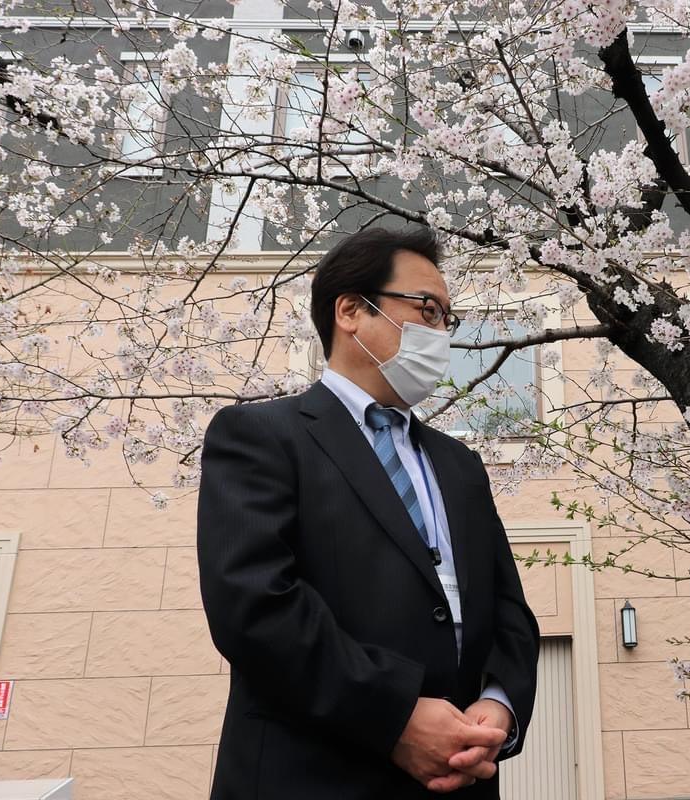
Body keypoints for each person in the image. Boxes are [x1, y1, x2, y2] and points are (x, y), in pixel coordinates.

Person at [197, 226, 541, 799]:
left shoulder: (460, 463)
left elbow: (509, 608)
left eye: (446, 320)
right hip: (311, 774)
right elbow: (254, 606)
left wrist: (498, 705)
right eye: (427, 310)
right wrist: (396, 714)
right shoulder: (261, 436)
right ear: (352, 311)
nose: (441, 335)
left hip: (460, 777)